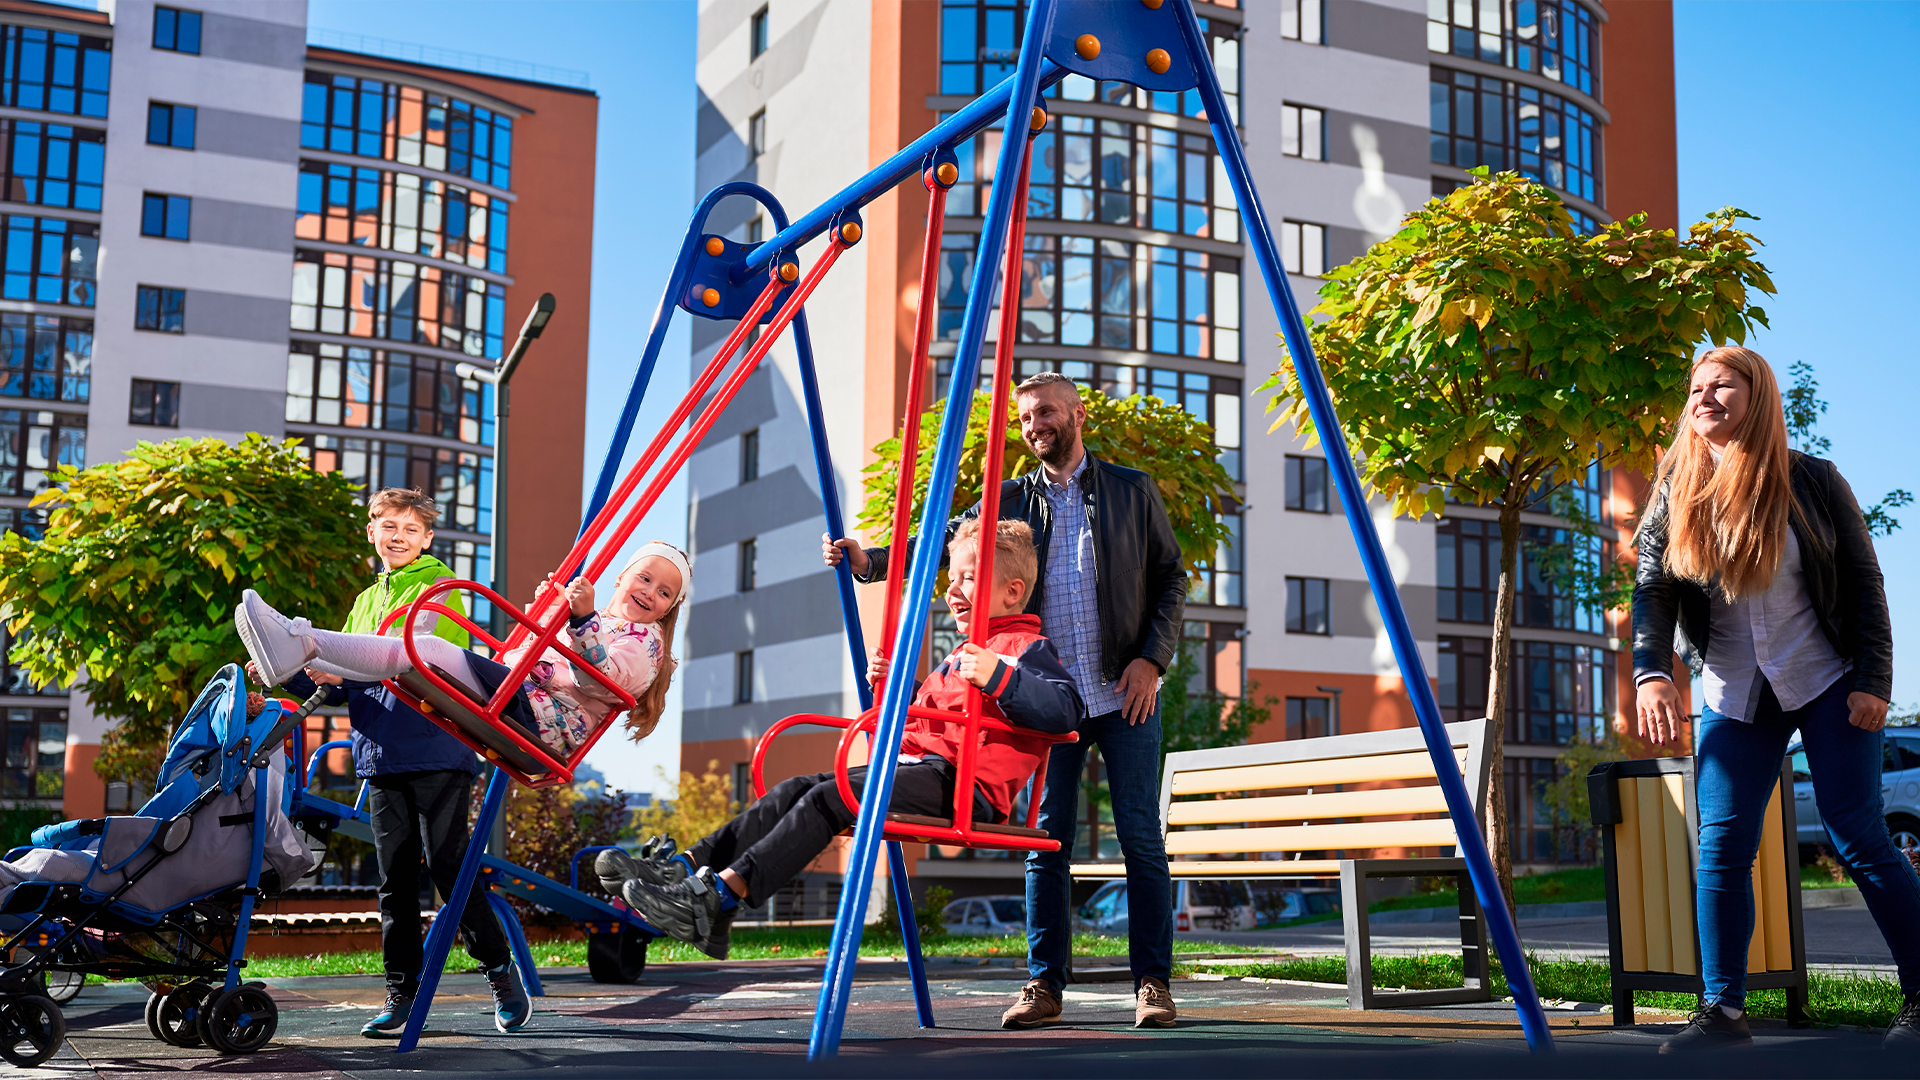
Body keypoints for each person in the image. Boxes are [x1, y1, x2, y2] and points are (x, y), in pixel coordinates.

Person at [823, 372, 1187, 1030]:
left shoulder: (1131, 489)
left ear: (1077, 414)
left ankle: (1153, 984)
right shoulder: (1008, 500)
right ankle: (1045, 985)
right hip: (1046, 701)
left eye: (1045, 411)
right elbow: (942, 545)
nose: (1034, 424)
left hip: (1122, 693)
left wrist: (1151, 659)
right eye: (1025, 417)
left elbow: (1171, 577)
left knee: (1140, 838)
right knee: (1047, 842)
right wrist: (870, 561)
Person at [601, 519, 1080, 962]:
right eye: (950, 578)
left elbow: (1064, 712)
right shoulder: (965, 654)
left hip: (964, 788)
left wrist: (1000, 678)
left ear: (1013, 592)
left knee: (834, 798)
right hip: (927, 772)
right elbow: (937, 719)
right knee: (795, 790)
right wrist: (903, 690)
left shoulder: (1022, 650)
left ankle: (721, 898)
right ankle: (686, 869)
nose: (953, 590)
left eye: (968, 579)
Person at [1634, 347, 1916, 1053]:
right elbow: (1654, 588)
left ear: (1755, 394)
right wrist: (1652, 671)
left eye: (1720, 384)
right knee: (1723, 847)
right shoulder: (1677, 486)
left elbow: (1863, 584)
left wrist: (1874, 682)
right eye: (1695, 388)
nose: (1703, 397)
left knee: (1859, 835)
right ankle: (1724, 1012)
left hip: (1826, 678)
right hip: (1734, 689)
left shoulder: (1812, 479)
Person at [268, 488, 528, 1037]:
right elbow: (342, 686)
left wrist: (344, 667)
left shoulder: (442, 591)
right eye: (389, 527)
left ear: (427, 539)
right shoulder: (364, 602)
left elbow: (419, 660)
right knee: (394, 881)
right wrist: (291, 670)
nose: (399, 537)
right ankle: (400, 992)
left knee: (448, 868)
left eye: (411, 530)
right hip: (380, 752)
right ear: (372, 532)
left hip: (436, 745)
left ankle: (500, 973)